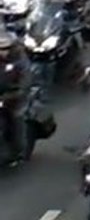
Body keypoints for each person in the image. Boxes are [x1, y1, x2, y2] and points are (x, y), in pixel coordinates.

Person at [0, 31, 31, 165]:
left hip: (13, 98)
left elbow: (26, 81)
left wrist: (16, 92)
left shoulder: (20, 61)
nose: (3, 52)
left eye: (6, 48)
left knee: (16, 118)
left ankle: (19, 151)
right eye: (1, 49)